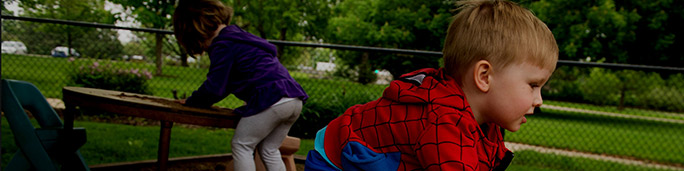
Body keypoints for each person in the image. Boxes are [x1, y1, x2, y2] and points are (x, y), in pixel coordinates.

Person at [304, 0, 558, 170]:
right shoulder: (443, 120)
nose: (539, 100)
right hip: (334, 160)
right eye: (533, 85)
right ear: (484, 76)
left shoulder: (484, 123)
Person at [172, 0, 308, 170]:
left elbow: (216, 86)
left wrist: (194, 101)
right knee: (269, 149)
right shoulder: (240, 37)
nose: (206, 51)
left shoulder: (223, 45)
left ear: (196, 31)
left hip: (272, 98)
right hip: (293, 99)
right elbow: (228, 82)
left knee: (242, 145)